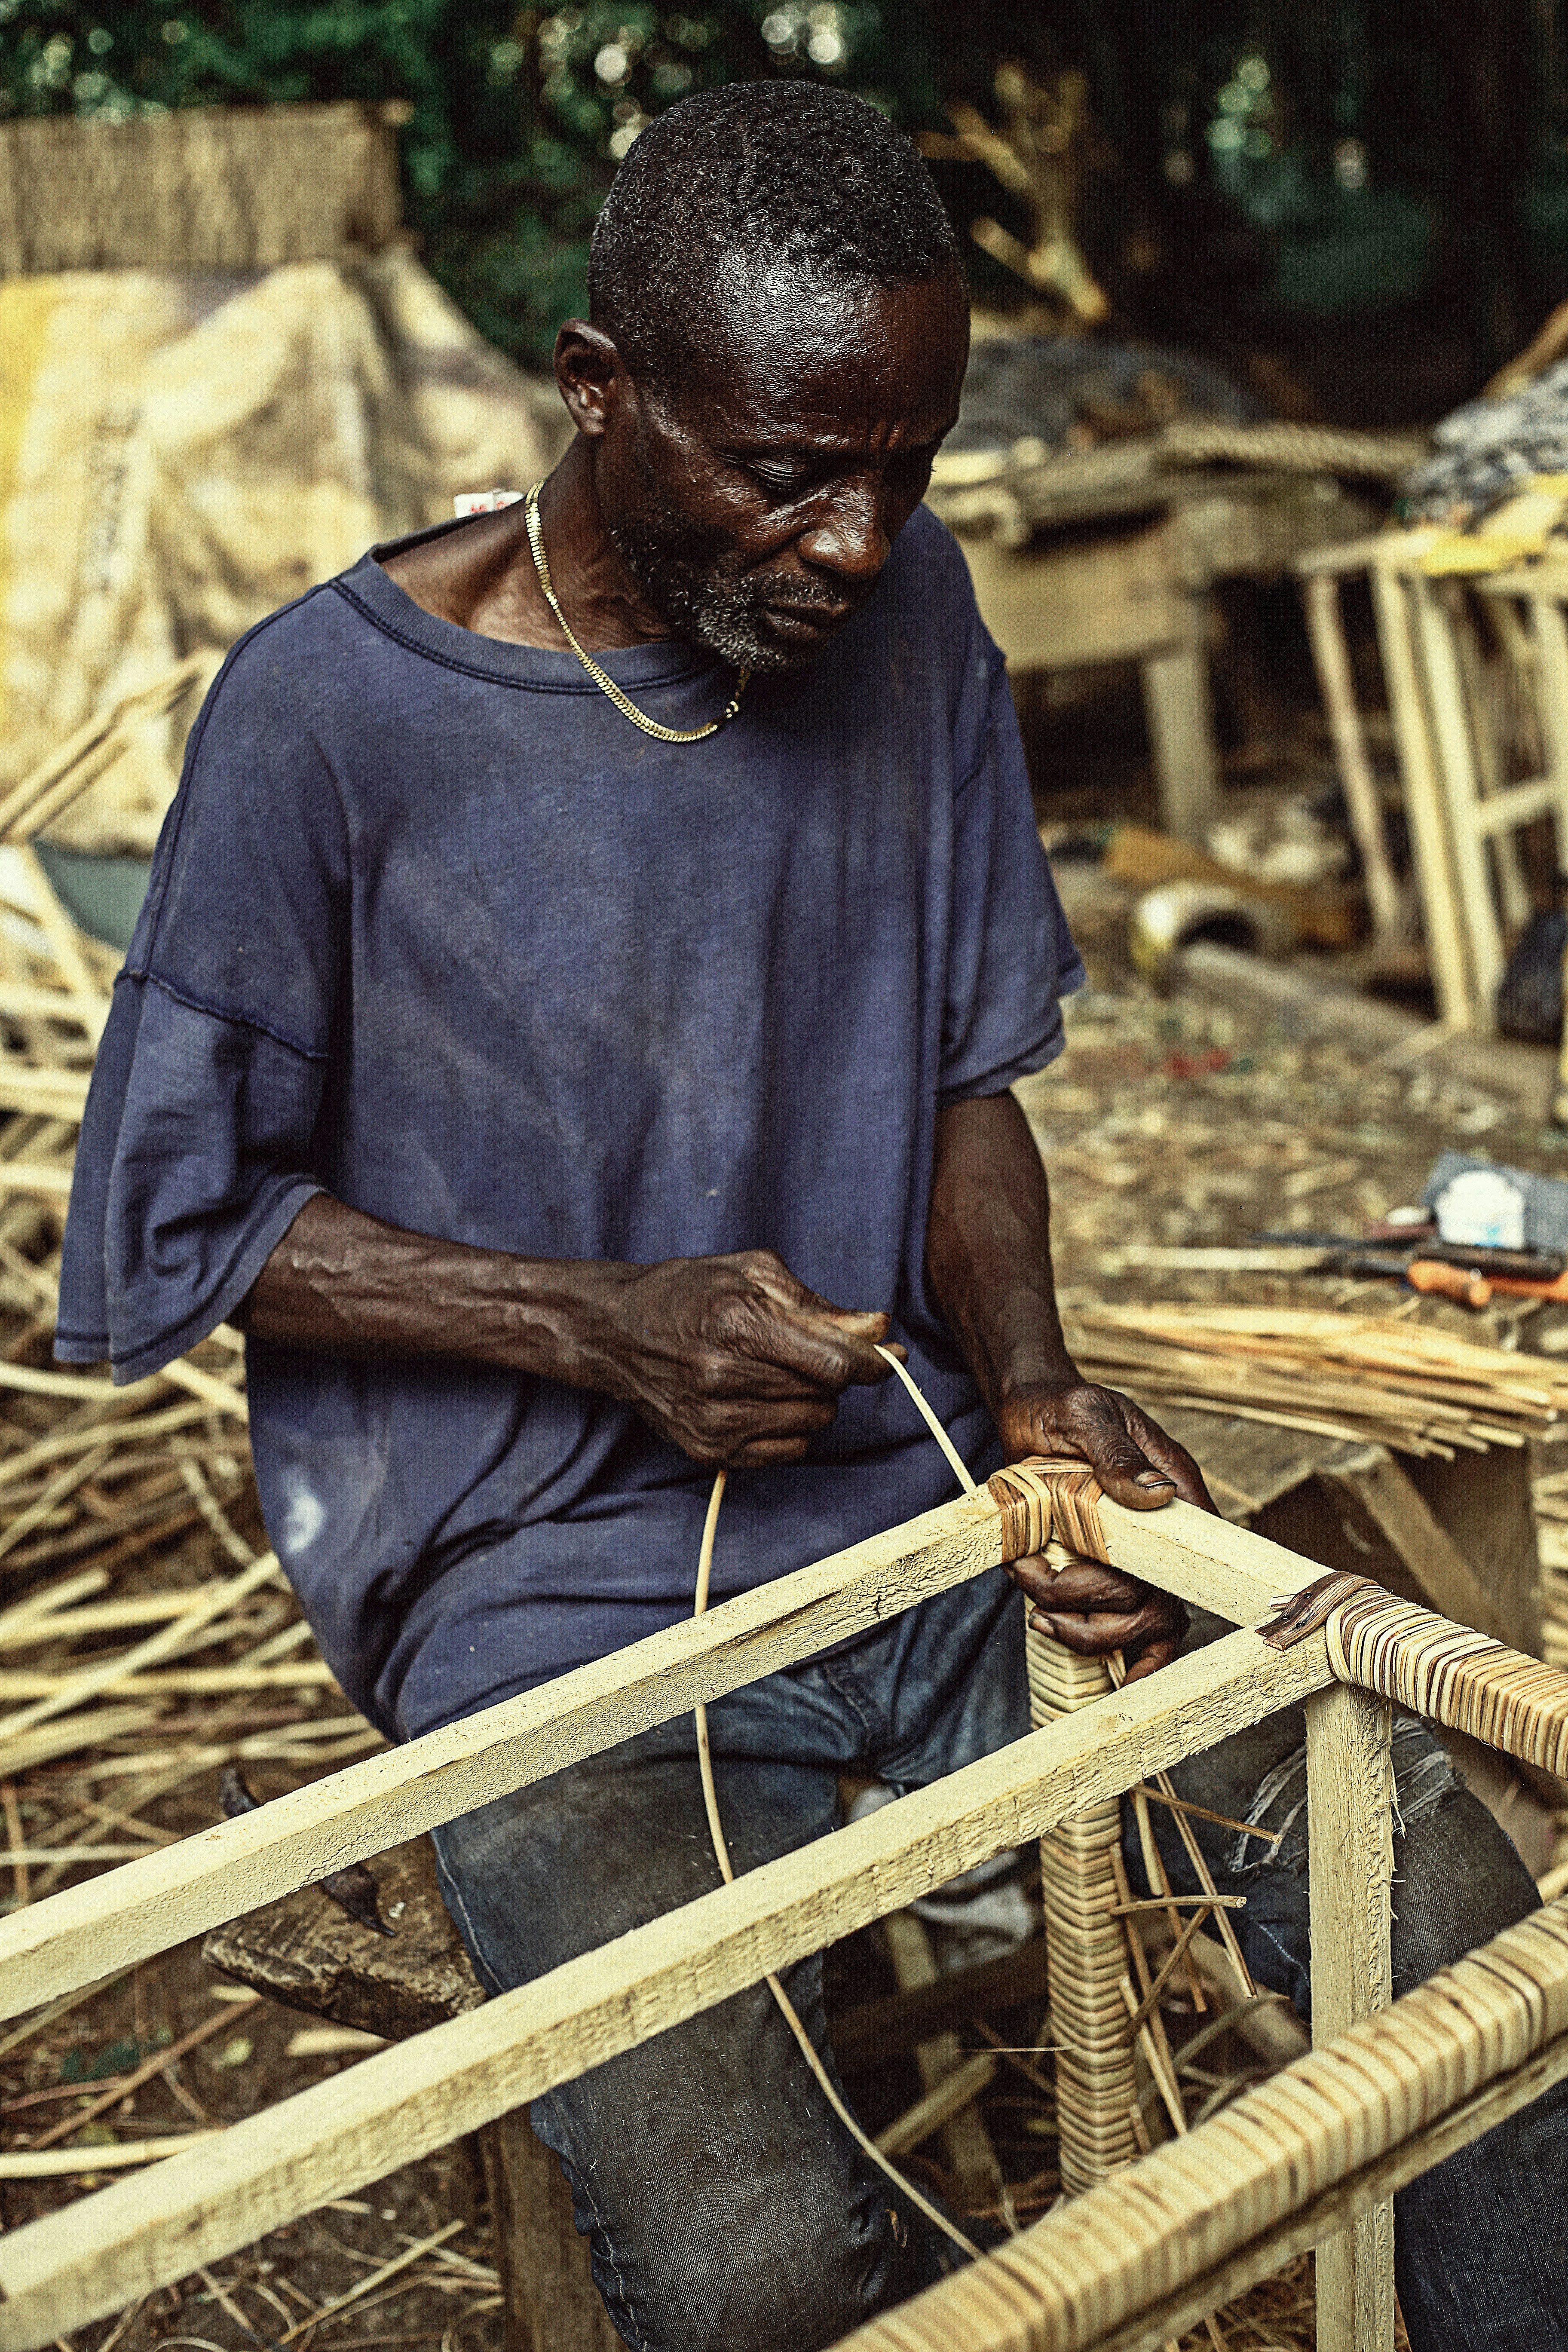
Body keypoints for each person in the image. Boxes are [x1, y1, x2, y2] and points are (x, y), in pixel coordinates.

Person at [60, 79, 1565, 2352]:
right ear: (596, 396)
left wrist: (1043, 1391)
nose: (856, 543)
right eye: (783, 473)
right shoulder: (329, 721)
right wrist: (598, 1329)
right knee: (765, 2268)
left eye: (904, 468)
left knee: (1439, 1906)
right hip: (541, 1595)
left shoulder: (910, 608)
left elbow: (963, 1070)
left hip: (922, 1505)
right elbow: (169, 1228)